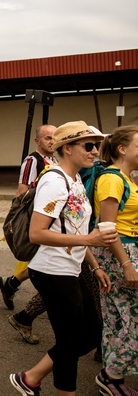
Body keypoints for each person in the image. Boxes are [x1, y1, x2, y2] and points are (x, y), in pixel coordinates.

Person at [10, 121, 116, 396]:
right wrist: (89, 241)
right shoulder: (54, 181)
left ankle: (30, 378)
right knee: (70, 341)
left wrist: (93, 265)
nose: (95, 151)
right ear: (67, 148)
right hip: (51, 271)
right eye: (89, 145)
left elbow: (76, 228)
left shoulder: (76, 178)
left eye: (97, 145)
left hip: (73, 268)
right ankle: (43, 384)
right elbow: (37, 233)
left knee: (91, 333)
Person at [0, 124, 57, 345]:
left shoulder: (56, 160)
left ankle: (11, 284)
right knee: (43, 265)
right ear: (38, 141)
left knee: (40, 263)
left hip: (50, 219)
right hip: (37, 219)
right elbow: (22, 191)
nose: (52, 142)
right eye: (48, 138)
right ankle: (24, 305)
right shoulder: (32, 161)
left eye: (55, 138)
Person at [92, 125, 138, 396]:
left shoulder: (127, 178)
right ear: (122, 149)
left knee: (119, 319)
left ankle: (113, 377)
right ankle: (111, 373)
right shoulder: (112, 179)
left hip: (127, 250)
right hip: (119, 254)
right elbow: (108, 228)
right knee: (128, 320)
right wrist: (126, 264)